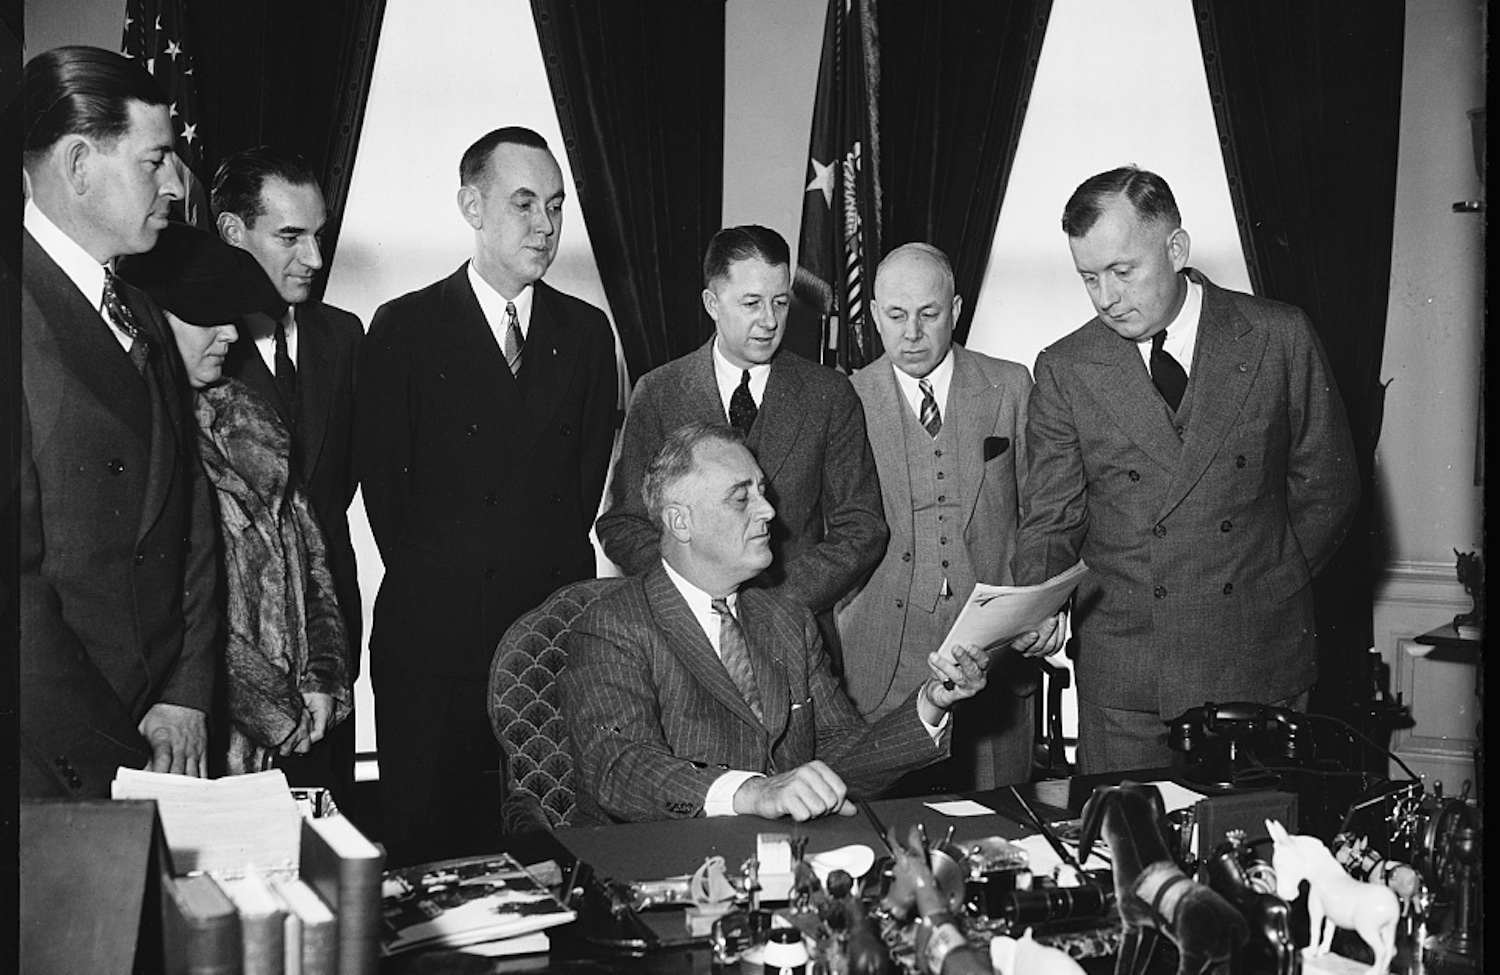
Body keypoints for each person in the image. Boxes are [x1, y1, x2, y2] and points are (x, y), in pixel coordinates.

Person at [1013, 166, 1360, 773]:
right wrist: (1037, 604)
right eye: (1089, 278)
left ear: (1176, 249)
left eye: (1122, 271)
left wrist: (1266, 581)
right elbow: (1051, 517)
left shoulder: (1278, 336)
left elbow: (1327, 488)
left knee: (1257, 831)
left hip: (1258, 661)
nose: (1106, 298)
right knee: (1126, 834)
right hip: (1128, 676)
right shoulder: (1065, 368)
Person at [356, 126, 617, 863]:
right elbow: (387, 492)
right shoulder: (405, 326)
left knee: (548, 854)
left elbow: (580, 489)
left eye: (556, 206)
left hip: (547, 641)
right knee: (429, 858)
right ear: (472, 207)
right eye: (524, 203)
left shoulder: (586, 332)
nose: (545, 225)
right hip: (433, 640)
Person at [562, 422, 990, 824]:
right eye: (741, 498)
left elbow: (842, 759)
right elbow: (620, 766)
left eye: (762, 492)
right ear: (680, 522)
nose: (768, 510)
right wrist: (753, 792)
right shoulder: (612, 625)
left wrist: (930, 704)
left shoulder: (787, 619)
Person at [19, 46, 218, 797]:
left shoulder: (138, 309)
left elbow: (191, 512)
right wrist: (114, 755)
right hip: (56, 759)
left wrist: (187, 693)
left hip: (160, 734)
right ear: (78, 165)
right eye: (155, 160)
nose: (175, 185)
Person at [118, 223, 353, 776]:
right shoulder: (137, 439)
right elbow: (179, 617)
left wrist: (322, 676)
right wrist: (275, 709)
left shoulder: (252, 421)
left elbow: (313, 562)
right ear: (151, 317)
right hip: (198, 746)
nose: (230, 333)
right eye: (208, 317)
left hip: (285, 741)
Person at [595, 225, 886, 662]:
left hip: (797, 633)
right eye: (751, 303)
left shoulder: (829, 393)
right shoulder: (658, 392)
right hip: (683, 640)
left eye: (780, 302)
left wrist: (776, 602)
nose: (769, 321)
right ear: (712, 303)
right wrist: (695, 593)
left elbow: (862, 527)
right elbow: (622, 523)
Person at [838, 243, 1064, 792]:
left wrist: (1045, 608)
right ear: (874, 315)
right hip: (881, 660)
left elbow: (1045, 513)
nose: (912, 333)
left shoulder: (1010, 385)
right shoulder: (845, 398)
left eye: (929, 313)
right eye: (896, 316)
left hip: (998, 658)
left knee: (1001, 815)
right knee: (885, 824)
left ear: (956, 310)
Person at [212, 146, 363, 805]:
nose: (315, 259)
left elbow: (348, 490)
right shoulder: (197, 352)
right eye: (290, 237)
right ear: (231, 232)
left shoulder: (344, 337)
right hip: (237, 666)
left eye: (318, 236)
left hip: (330, 654)